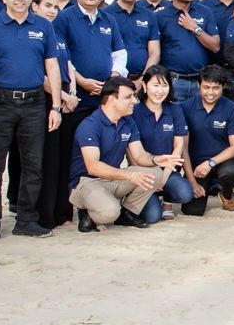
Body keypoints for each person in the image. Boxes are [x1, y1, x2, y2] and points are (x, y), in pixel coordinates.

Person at [0, 0, 61, 242]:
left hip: (34, 102)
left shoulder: (44, 27)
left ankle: (26, 219)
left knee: (33, 165)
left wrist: (56, 105)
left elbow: (52, 66)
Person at [70, 75, 168, 231]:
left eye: (134, 96)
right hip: (87, 181)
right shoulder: (90, 125)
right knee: (110, 212)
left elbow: (140, 156)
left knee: (155, 173)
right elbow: (93, 167)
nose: (134, 101)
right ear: (111, 100)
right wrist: (129, 175)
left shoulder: (127, 121)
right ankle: (89, 213)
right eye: (128, 97)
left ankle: (126, 213)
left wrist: (157, 159)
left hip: (113, 178)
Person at [32, 0, 83, 228]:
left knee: (66, 158)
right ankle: (46, 215)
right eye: (47, 6)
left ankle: (64, 212)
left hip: (66, 100)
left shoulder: (57, 34)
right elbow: (39, 74)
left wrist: (72, 94)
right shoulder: (34, 33)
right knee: (48, 161)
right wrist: (61, 96)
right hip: (47, 101)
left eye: (55, 6)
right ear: (35, 6)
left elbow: (69, 66)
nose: (52, 11)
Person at [130, 66, 198, 217]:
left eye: (164, 85)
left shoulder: (175, 110)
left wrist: (164, 176)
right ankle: (151, 198)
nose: (160, 91)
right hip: (143, 171)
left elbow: (178, 146)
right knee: (152, 216)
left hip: (168, 171)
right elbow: (130, 151)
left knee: (185, 194)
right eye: (155, 85)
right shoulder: (134, 112)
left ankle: (167, 200)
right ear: (144, 86)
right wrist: (144, 176)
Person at [180, 66, 234, 214]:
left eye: (215, 88)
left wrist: (210, 163)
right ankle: (207, 187)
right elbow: (182, 148)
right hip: (197, 166)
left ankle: (226, 194)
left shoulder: (231, 108)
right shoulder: (185, 108)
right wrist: (192, 182)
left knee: (230, 173)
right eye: (206, 87)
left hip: (222, 162)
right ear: (198, 86)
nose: (210, 92)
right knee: (192, 211)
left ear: (222, 87)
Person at [156, 0, 222, 98]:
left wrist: (195, 28)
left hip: (201, 82)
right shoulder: (160, 16)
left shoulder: (205, 12)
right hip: (173, 82)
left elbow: (215, 46)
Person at [107, 0, 160, 76]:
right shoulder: (105, 14)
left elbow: (155, 53)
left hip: (141, 77)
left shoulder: (149, 16)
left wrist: (144, 78)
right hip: (112, 78)